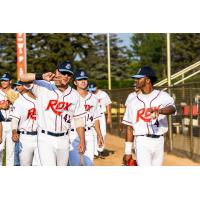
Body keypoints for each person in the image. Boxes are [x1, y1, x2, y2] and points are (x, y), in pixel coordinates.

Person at [20, 61, 86, 166]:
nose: (65, 76)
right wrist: (41, 76)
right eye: (63, 72)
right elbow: (23, 78)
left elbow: (78, 119)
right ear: (57, 72)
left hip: (64, 139)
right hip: (45, 138)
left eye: (68, 74)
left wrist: (82, 139)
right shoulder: (43, 86)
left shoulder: (74, 95)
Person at [122, 66, 176, 166]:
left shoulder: (162, 96)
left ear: (147, 80)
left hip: (159, 141)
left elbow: (172, 109)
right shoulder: (132, 101)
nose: (136, 80)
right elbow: (129, 127)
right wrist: (128, 151)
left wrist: (160, 111)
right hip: (142, 140)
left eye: (139, 78)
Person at [69, 70, 104, 166]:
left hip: (89, 134)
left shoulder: (93, 98)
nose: (83, 81)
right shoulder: (70, 96)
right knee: (75, 165)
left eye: (85, 79)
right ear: (75, 82)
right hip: (72, 134)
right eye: (80, 79)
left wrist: (99, 135)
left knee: (89, 164)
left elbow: (96, 118)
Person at [10, 81, 40, 166]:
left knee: (39, 165)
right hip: (25, 137)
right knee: (25, 165)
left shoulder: (42, 99)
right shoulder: (20, 101)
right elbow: (15, 119)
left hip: (41, 137)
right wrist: (14, 132)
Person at [88, 82, 111, 158]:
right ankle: (95, 152)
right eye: (90, 89)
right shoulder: (89, 94)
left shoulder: (103, 94)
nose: (92, 91)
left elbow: (108, 104)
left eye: (93, 89)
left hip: (101, 115)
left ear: (97, 87)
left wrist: (108, 116)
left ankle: (100, 150)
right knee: (94, 133)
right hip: (92, 116)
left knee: (103, 133)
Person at [0, 72, 16, 166]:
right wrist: (1, 106)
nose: (3, 82)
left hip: (11, 124)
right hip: (0, 124)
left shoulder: (15, 93)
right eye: (2, 80)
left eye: (5, 80)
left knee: (11, 153)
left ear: (10, 81)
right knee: (0, 150)